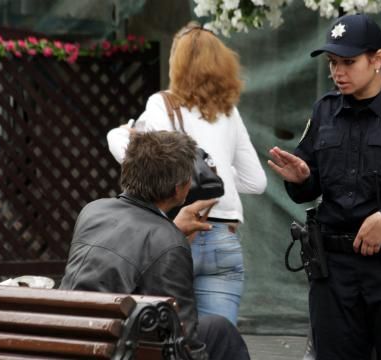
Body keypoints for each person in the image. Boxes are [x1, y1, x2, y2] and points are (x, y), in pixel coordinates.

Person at [268, 14, 381, 360]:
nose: (337, 72)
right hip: (335, 272)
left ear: (377, 60)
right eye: (333, 63)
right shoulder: (325, 112)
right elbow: (310, 186)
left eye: (348, 62)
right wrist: (301, 180)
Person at [106, 21, 267, 326]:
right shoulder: (228, 111)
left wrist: (117, 134)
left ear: (176, 63)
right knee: (218, 341)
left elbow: (140, 160)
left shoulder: (161, 103)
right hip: (223, 239)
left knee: (172, 343)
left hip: (177, 234)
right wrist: (216, 171)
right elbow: (256, 182)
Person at [60, 131, 250, 360]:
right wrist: (172, 235)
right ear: (179, 188)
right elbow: (183, 341)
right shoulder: (169, 242)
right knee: (221, 331)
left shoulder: (92, 211)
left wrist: (171, 231)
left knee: (216, 327)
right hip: (121, 350)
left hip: (76, 340)